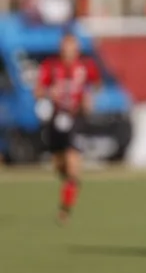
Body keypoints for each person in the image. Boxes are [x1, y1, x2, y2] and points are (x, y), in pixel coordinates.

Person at [35, 32, 100, 223]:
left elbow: (96, 84)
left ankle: (65, 209)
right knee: (59, 165)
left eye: (72, 48)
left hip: (76, 118)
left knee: (72, 161)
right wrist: (48, 92)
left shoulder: (86, 66)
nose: (69, 52)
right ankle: (69, 184)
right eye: (65, 48)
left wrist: (88, 97)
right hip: (55, 119)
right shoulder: (51, 66)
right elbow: (38, 91)